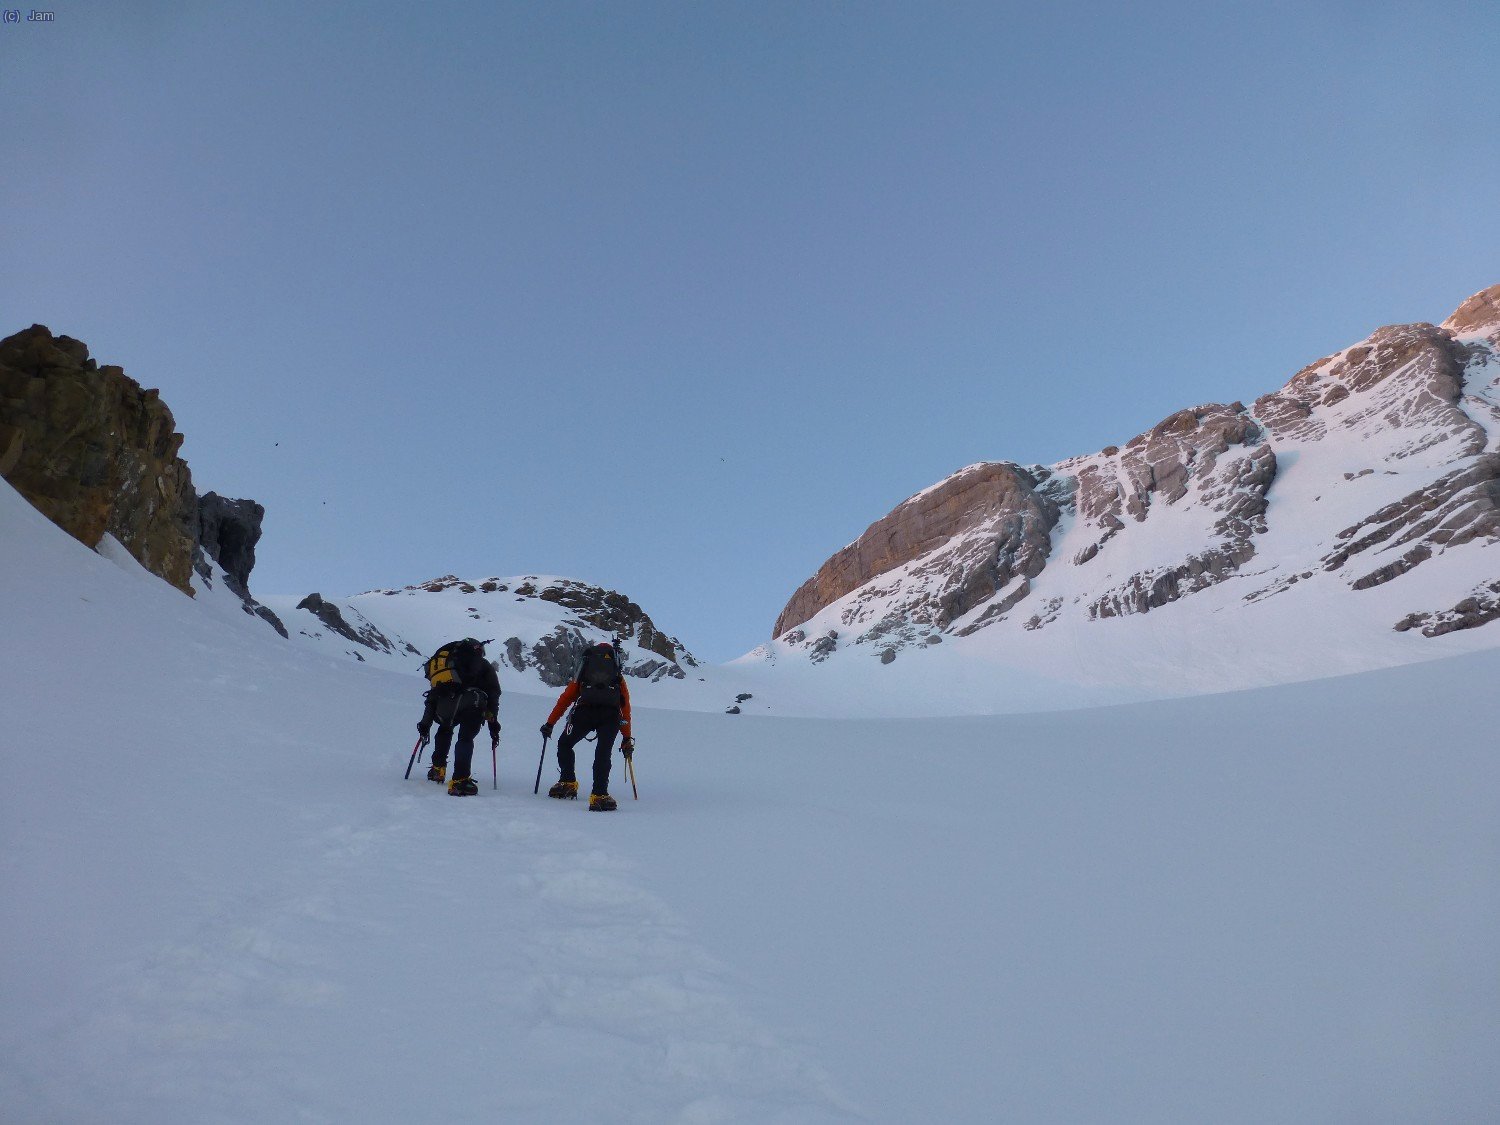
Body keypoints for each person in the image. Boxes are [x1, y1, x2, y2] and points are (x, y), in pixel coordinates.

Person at [540, 640, 635, 811]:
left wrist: (550, 723)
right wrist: (626, 737)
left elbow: (566, 698)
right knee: (603, 752)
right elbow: (624, 707)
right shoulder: (617, 677)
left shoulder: (583, 672)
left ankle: (567, 782)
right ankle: (599, 795)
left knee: (565, 744)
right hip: (610, 716)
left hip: (584, 713)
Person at [418, 638, 501, 796]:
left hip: (445, 706)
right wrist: (493, 723)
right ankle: (460, 780)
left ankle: (437, 769)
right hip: (473, 703)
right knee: (465, 738)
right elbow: (493, 694)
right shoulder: (482, 665)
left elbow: (433, 697)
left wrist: (425, 723)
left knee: (445, 728)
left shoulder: (448, 667)